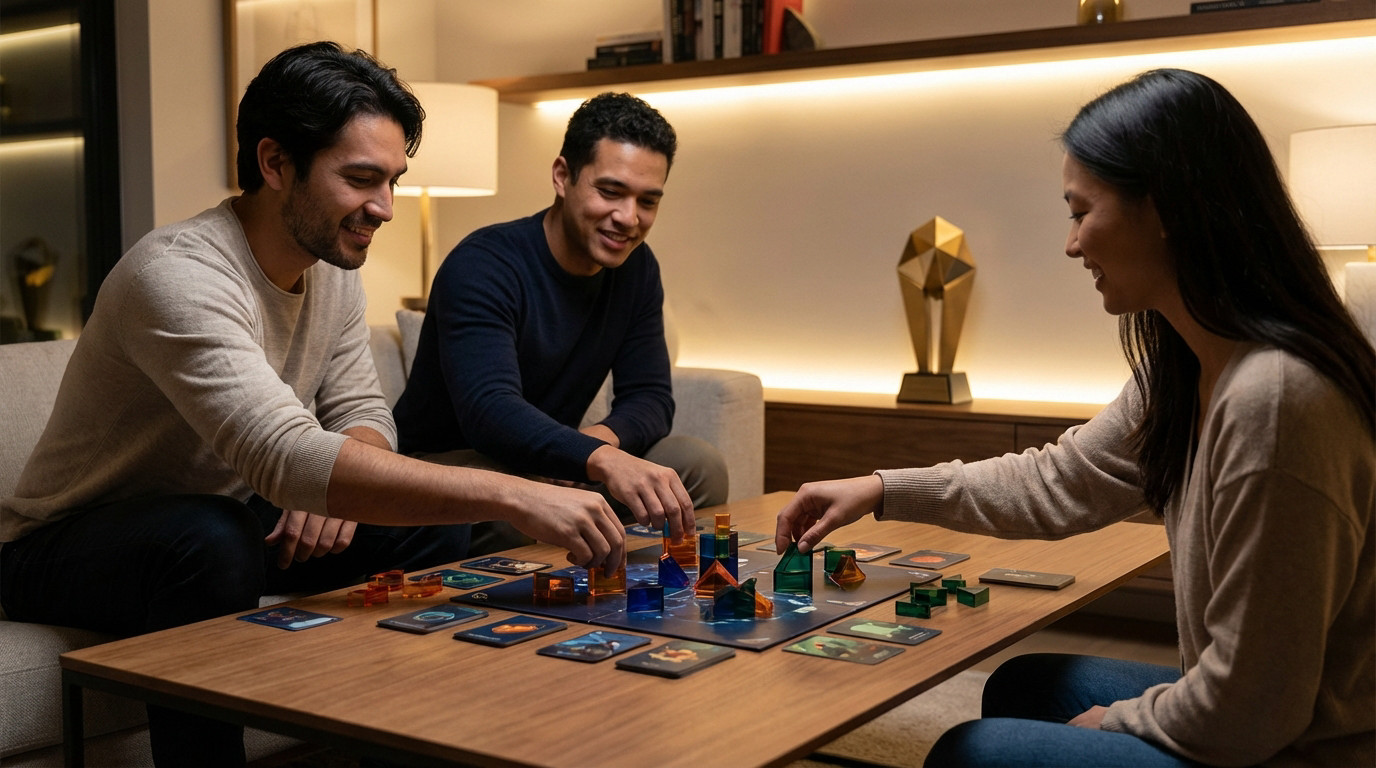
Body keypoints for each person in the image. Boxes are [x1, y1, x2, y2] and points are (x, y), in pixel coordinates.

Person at [0, 42, 623, 767]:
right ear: (275, 162)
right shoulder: (175, 275)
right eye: (360, 179)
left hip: (233, 512)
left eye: (392, 180)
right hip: (61, 549)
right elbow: (284, 454)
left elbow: (365, 411)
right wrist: (517, 494)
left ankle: (402, 742)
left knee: (425, 531)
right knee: (210, 536)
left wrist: (338, 480)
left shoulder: (332, 268)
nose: (384, 208)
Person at [775, 68, 1374, 768]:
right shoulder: (1188, 367)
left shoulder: (1274, 399)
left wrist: (1121, 723)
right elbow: (1061, 480)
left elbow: (1254, 709)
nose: (1071, 244)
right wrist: (882, 489)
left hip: (1308, 749)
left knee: (974, 753)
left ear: (1164, 209)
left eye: (1081, 211)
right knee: (1025, 685)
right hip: (1265, 718)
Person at [394, 92, 728, 553]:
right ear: (562, 176)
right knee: (503, 501)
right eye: (610, 192)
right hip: (459, 464)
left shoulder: (636, 268)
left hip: (557, 461)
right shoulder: (483, 264)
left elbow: (650, 397)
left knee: (695, 464)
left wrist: (595, 445)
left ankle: (644, 586)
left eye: (647, 200)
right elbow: (490, 412)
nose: (629, 218)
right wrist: (594, 457)